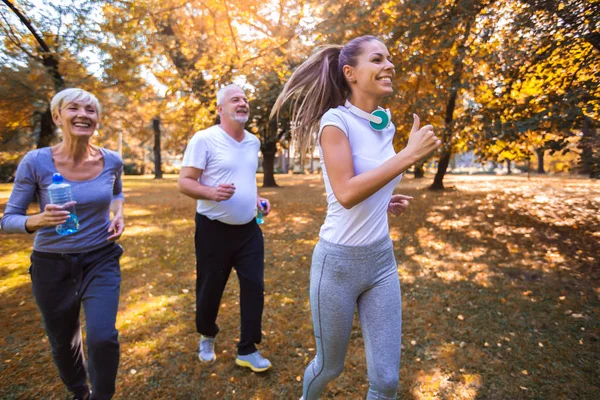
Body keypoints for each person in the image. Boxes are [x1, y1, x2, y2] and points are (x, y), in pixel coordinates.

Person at [270, 35, 441, 399]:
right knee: (330, 366)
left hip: (381, 261)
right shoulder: (334, 122)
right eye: (377, 59)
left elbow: (368, 179)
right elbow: (346, 192)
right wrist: (408, 156)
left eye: (389, 59)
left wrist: (383, 199)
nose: (389, 66)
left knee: (387, 381)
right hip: (339, 264)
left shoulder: (384, 122)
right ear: (350, 73)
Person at [1, 88, 125, 400]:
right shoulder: (36, 162)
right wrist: (37, 220)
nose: (83, 114)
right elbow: (7, 220)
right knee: (63, 340)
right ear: (58, 117)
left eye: (90, 110)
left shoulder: (112, 160)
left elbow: (117, 192)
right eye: (74, 108)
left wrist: (118, 212)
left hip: (101, 258)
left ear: (97, 120)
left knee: (102, 337)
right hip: (51, 264)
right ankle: (80, 391)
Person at [178, 84, 272, 372]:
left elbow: (246, 178)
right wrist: (211, 192)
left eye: (244, 99)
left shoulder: (253, 142)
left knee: (254, 287)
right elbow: (185, 182)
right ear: (220, 109)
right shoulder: (204, 139)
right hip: (213, 230)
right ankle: (207, 334)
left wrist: (257, 200)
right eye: (235, 100)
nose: (242, 103)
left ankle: (247, 348)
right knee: (210, 289)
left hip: (248, 231)